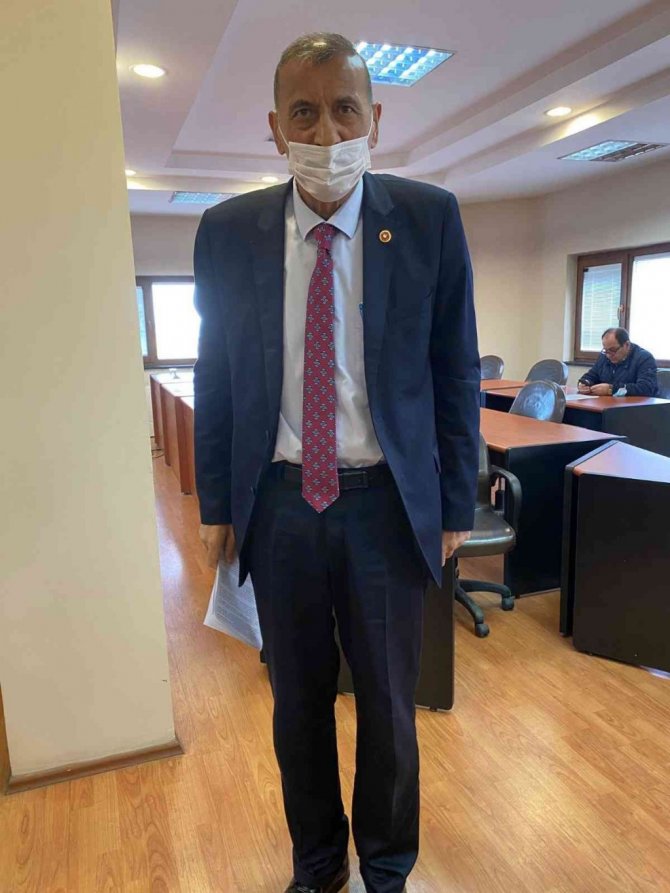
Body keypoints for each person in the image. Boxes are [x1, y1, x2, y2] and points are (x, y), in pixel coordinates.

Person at [193, 33, 480, 893]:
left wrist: (455, 503)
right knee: (298, 704)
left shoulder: (429, 218)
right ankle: (317, 867)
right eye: (305, 113)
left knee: (390, 705)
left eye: (345, 110)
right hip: (279, 504)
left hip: (385, 507)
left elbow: (454, 371)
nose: (327, 133)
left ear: (376, 119)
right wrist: (217, 503)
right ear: (274, 127)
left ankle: (385, 871)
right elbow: (216, 375)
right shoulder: (229, 232)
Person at [578, 327, 658, 396]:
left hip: (636, 406)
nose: (608, 355)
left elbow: (646, 388)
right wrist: (584, 383)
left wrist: (612, 389)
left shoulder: (644, 358)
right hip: (608, 404)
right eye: (606, 350)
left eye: (613, 350)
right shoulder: (604, 356)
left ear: (627, 345)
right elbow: (591, 376)